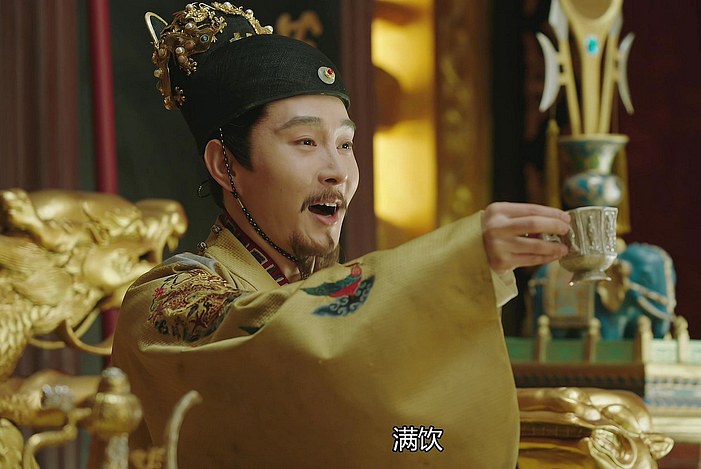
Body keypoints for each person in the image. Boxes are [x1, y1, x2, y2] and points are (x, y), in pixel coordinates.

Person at [112, 3, 571, 468]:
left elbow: (385, 435)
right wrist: (454, 262)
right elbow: (278, 339)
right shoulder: (164, 306)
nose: (338, 171)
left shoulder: (337, 308)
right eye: (306, 142)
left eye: (345, 144)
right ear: (224, 164)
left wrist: (453, 439)